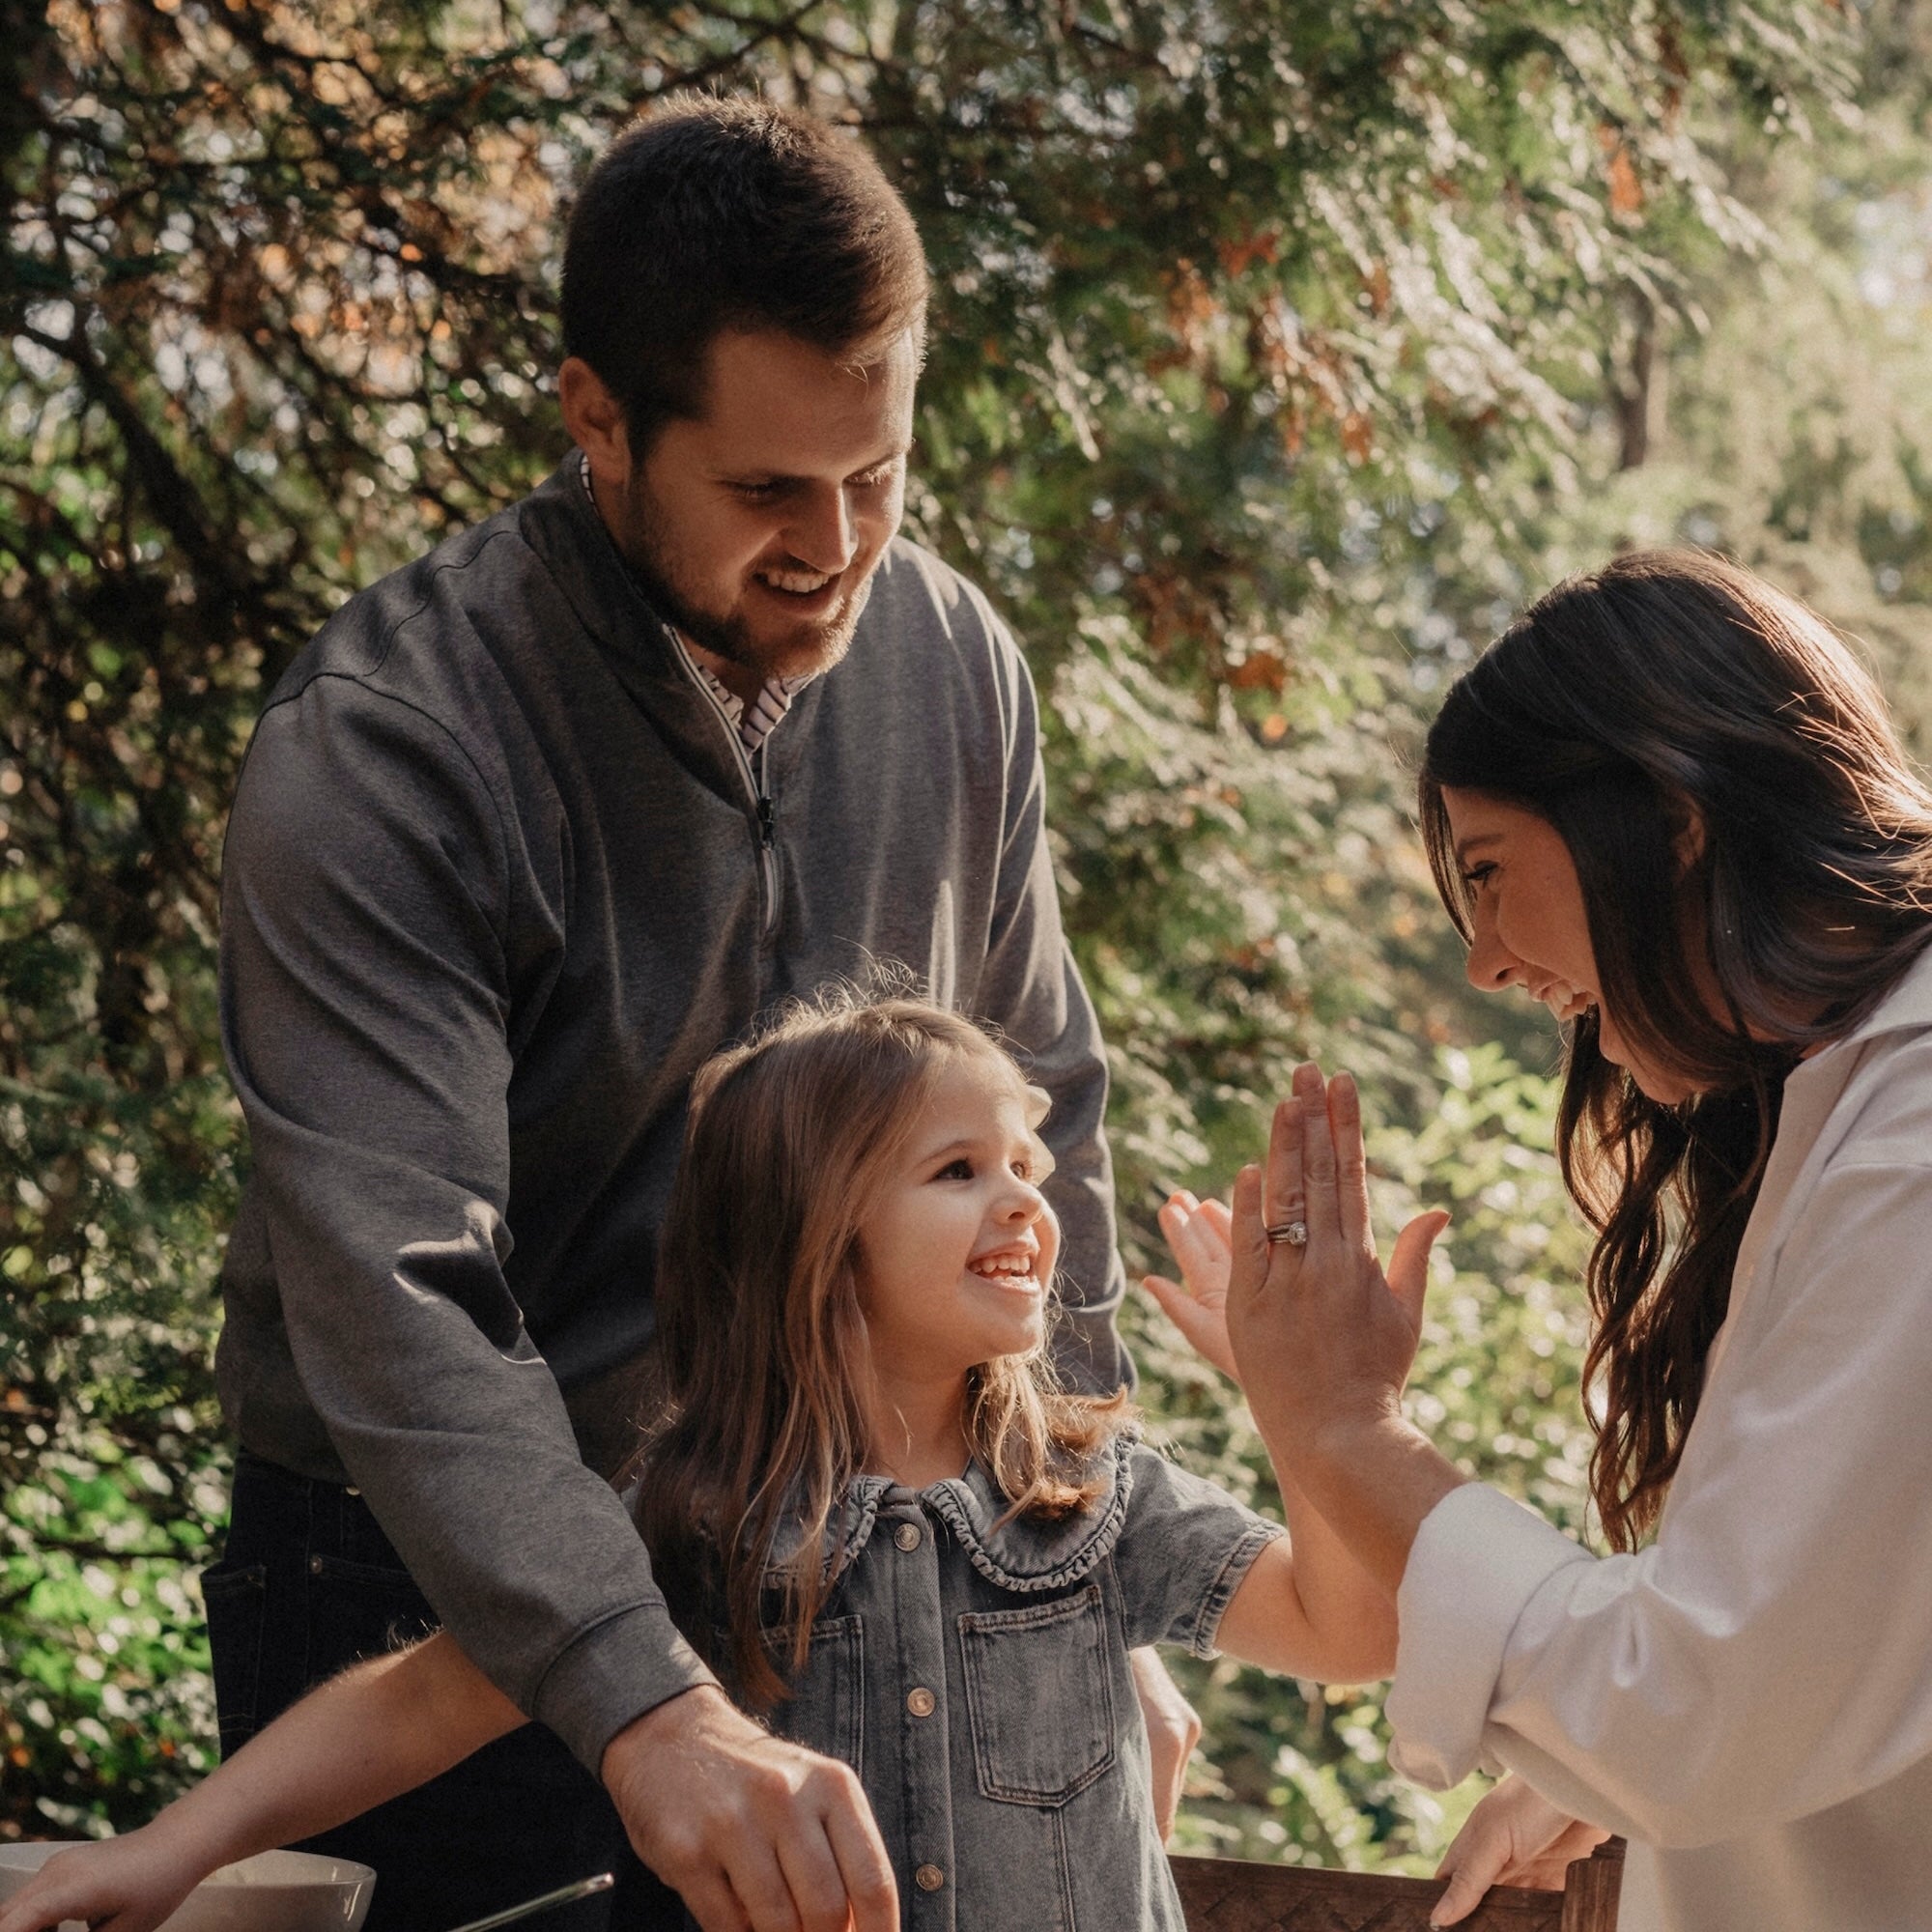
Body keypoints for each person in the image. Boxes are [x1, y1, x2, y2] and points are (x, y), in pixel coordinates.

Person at [205, 93, 1198, 1932]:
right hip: (416, 1603)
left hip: (835, 1570)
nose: (837, 546)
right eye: (765, 492)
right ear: (599, 419)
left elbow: (1043, 1105)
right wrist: (637, 1691)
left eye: (880, 474)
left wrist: (1067, 1565)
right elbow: (398, 1295)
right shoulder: (389, 749)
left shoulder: (960, 667)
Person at [0, 993, 1412, 1932]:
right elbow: (418, 1703)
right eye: (958, 1169)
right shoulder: (692, 1527)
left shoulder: (1096, 1502)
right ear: (812, 1235)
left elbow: (1350, 1632)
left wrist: (1312, 1409)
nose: (1027, 1205)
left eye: (1029, 1171)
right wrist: (164, 1851)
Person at [1154, 548, 1932, 1932]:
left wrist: (1343, 1430)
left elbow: (1700, 1706)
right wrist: (1604, 1769)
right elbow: (1816, 1639)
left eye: (1494, 870)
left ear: (1673, 816)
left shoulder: (1911, 1149)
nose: (1486, 962)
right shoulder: (1857, 1105)